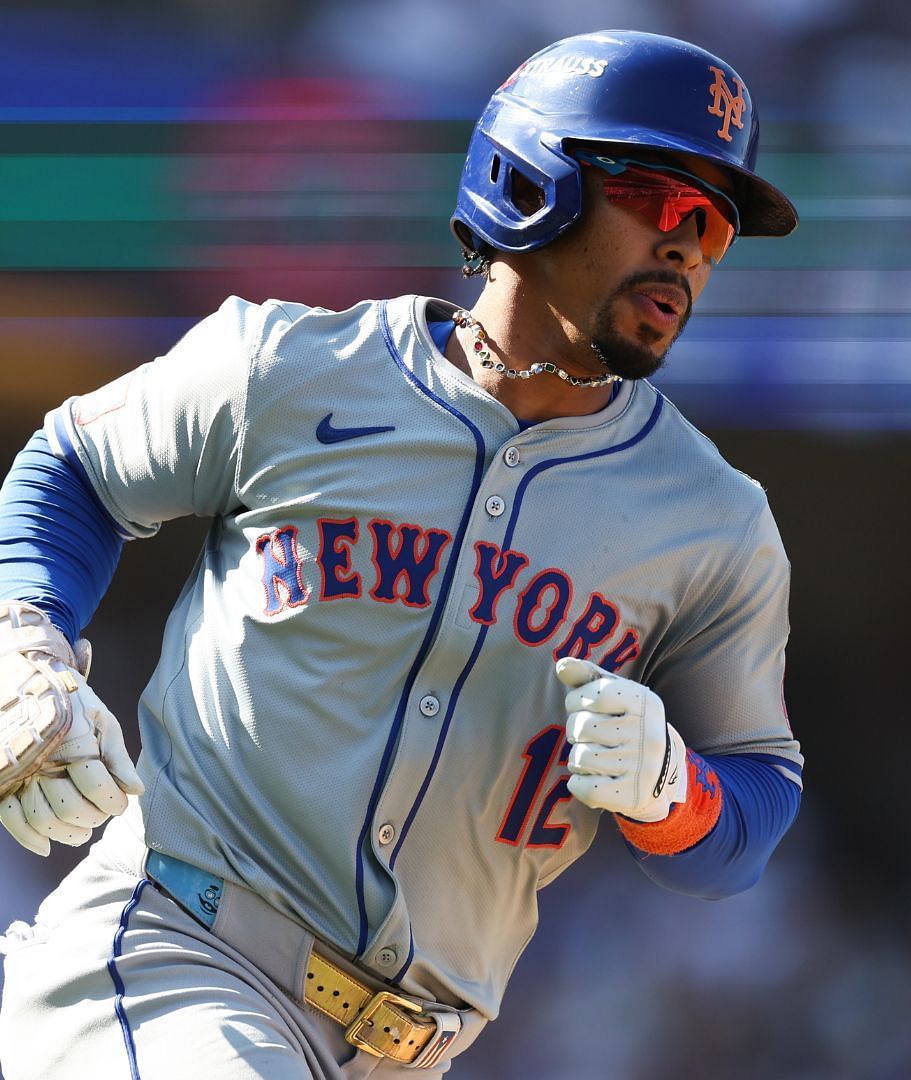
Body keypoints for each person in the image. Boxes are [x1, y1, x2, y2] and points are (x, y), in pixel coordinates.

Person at [0, 30, 803, 1077]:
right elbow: (72, 466)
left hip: (408, 1054)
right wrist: (25, 638)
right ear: (535, 178)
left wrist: (676, 797)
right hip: (171, 957)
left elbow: (752, 816)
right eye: (663, 200)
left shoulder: (715, 522)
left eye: (718, 225)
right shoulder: (285, 367)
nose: (691, 246)